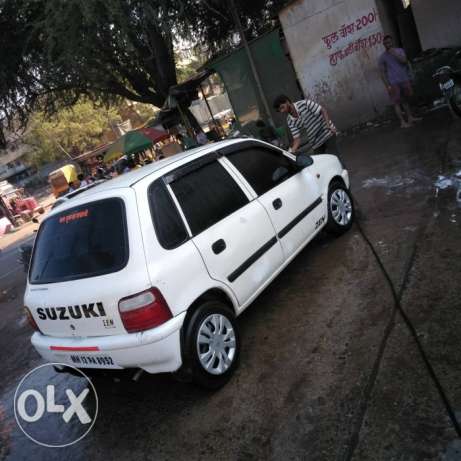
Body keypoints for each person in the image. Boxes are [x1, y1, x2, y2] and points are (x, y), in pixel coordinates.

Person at [379, 35, 422, 128]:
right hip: (393, 82)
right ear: (384, 44)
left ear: (392, 42)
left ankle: (410, 118)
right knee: (396, 103)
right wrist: (388, 86)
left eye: (389, 42)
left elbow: (404, 61)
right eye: (386, 43)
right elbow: (382, 73)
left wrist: (394, 54)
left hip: (404, 79)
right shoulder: (382, 57)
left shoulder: (399, 51)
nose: (388, 44)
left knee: (405, 100)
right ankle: (402, 122)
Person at [273, 94, 338, 155]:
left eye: (282, 107)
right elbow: (297, 139)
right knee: (319, 163)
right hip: (315, 142)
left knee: (335, 157)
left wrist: (329, 125)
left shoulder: (304, 103)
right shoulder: (290, 121)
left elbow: (322, 110)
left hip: (327, 133)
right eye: (280, 110)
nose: (282, 111)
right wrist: (292, 151)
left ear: (287, 102)